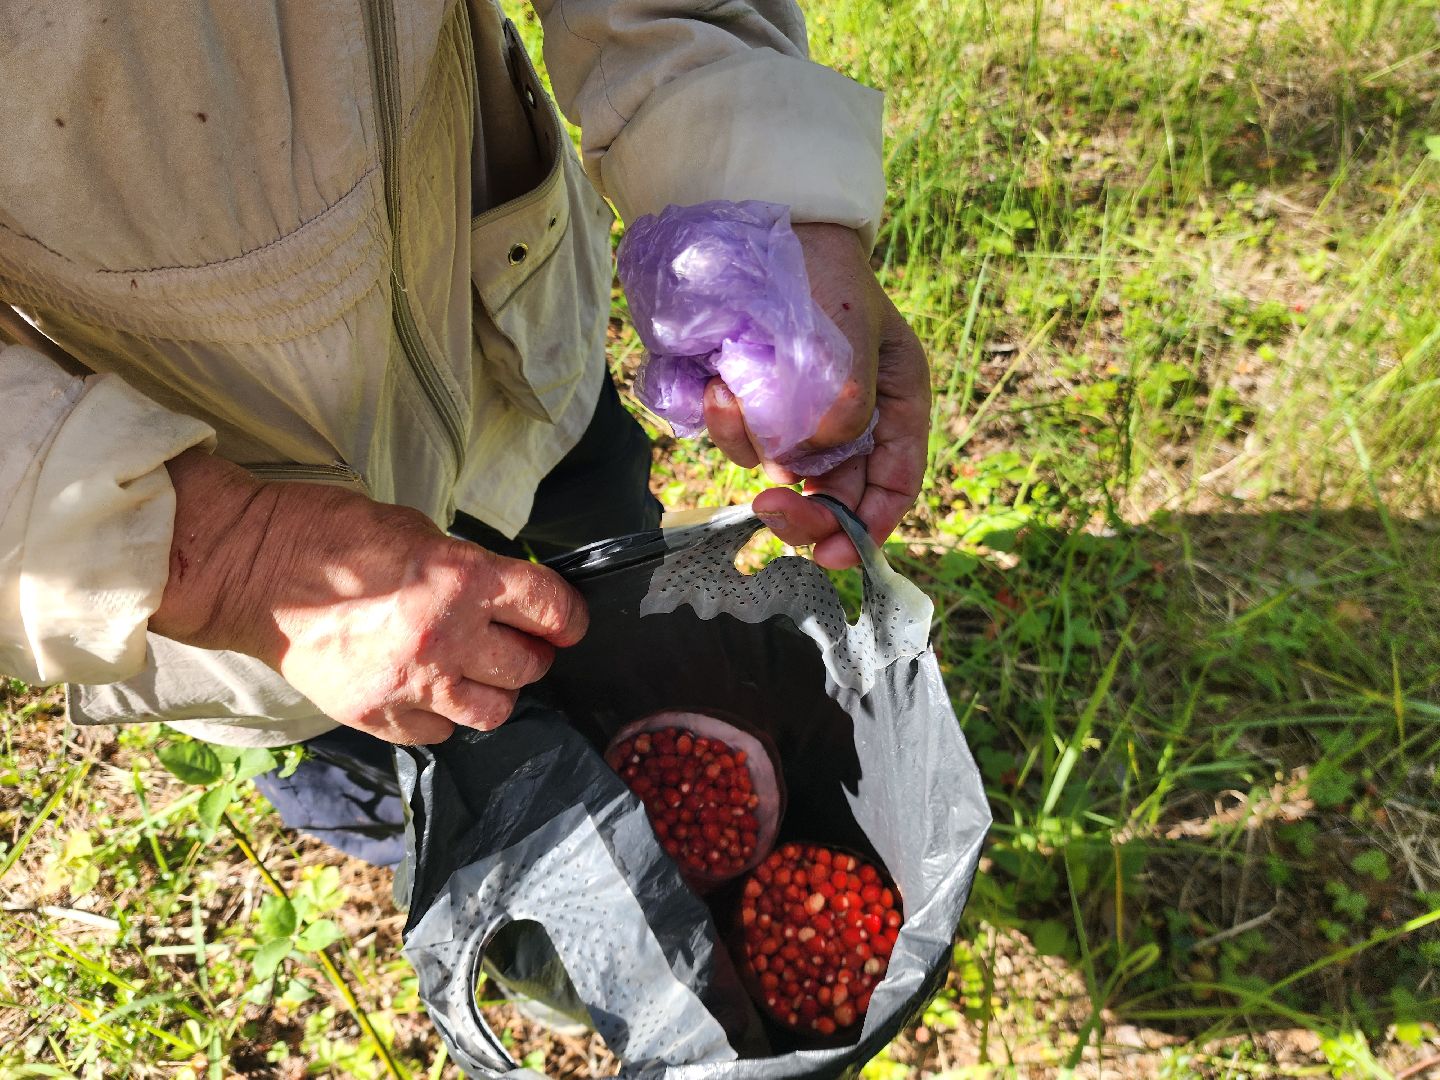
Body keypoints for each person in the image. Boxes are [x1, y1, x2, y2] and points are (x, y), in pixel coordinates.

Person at [0, 0, 929, 859]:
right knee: (422, 784)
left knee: (618, 596)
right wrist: (237, 561)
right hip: (215, 517)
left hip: (511, 347)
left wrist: (755, 198)